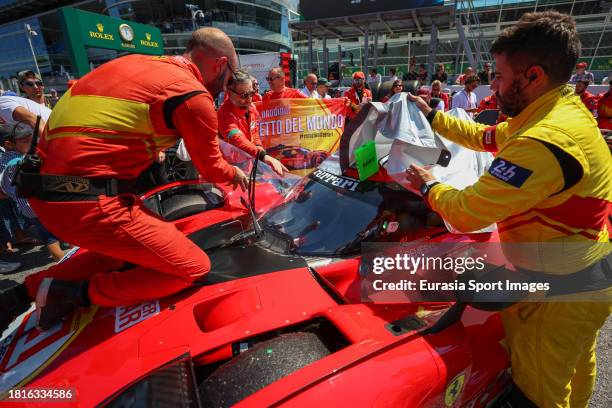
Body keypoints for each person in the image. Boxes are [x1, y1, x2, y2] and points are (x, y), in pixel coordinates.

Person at [406, 11, 610, 408]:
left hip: (556, 290)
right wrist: (433, 116)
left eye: (498, 76)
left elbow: (468, 212)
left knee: (539, 395)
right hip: (590, 272)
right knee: (577, 368)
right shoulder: (558, 109)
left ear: (532, 75)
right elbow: (485, 136)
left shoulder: (542, 139)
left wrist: (430, 184)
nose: (492, 86)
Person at [0, 27, 249, 332]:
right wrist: (237, 172)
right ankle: (73, 294)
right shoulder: (192, 95)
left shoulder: (131, 63)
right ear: (220, 64)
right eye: (230, 78)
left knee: (115, 256)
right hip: (88, 200)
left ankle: (17, 296)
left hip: (45, 195)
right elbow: (212, 169)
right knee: (191, 267)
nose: (227, 86)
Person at [0, 124, 65, 262]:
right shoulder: (21, 162)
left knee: (47, 234)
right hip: (38, 204)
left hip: (26, 209)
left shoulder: (3, 160)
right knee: (60, 228)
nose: (31, 143)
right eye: (25, 141)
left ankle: (60, 256)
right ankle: (65, 258)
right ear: (9, 144)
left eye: (31, 139)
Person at [218, 69, 286, 176]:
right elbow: (238, 140)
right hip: (230, 167)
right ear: (230, 92)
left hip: (249, 161)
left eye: (251, 93)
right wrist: (263, 156)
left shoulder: (251, 108)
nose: (249, 99)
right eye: (244, 95)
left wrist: (258, 146)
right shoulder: (224, 114)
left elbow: (254, 133)